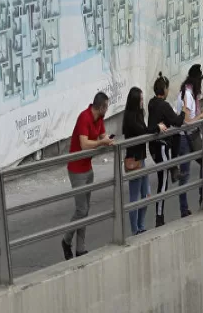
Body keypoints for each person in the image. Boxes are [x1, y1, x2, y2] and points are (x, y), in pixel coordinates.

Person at [62, 92, 113, 260]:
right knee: (81, 209)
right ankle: (66, 240)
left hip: (88, 168)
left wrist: (108, 140)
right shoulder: (84, 117)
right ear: (101, 107)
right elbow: (84, 144)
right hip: (76, 169)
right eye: (106, 106)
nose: (107, 109)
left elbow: (102, 135)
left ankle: (80, 248)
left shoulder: (99, 119)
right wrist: (101, 143)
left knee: (85, 210)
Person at [176, 64, 203, 217]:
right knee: (185, 174)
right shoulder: (187, 94)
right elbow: (187, 121)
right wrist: (202, 116)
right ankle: (184, 208)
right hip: (185, 136)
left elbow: (195, 114)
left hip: (192, 134)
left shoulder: (191, 93)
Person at [122, 86, 167, 235]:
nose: (142, 101)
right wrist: (157, 128)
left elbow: (145, 129)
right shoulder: (129, 116)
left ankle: (141, 226)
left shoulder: (139, 114)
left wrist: (155, 128)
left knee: (147, 195)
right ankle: (135, 229)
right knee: (135, 198)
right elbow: (142, 131)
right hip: (134, 160)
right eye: (140, 99)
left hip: (142, 159)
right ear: (135, 100)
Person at [147, 72, 186, 227]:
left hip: (154, 147)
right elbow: (177, 122)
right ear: (164, 90)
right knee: (163, 183)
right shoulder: (164, 105)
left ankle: (173, 167)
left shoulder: (151, 103)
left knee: (162, 180)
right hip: (161, 146)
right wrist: (183, 111)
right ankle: (159, 217)